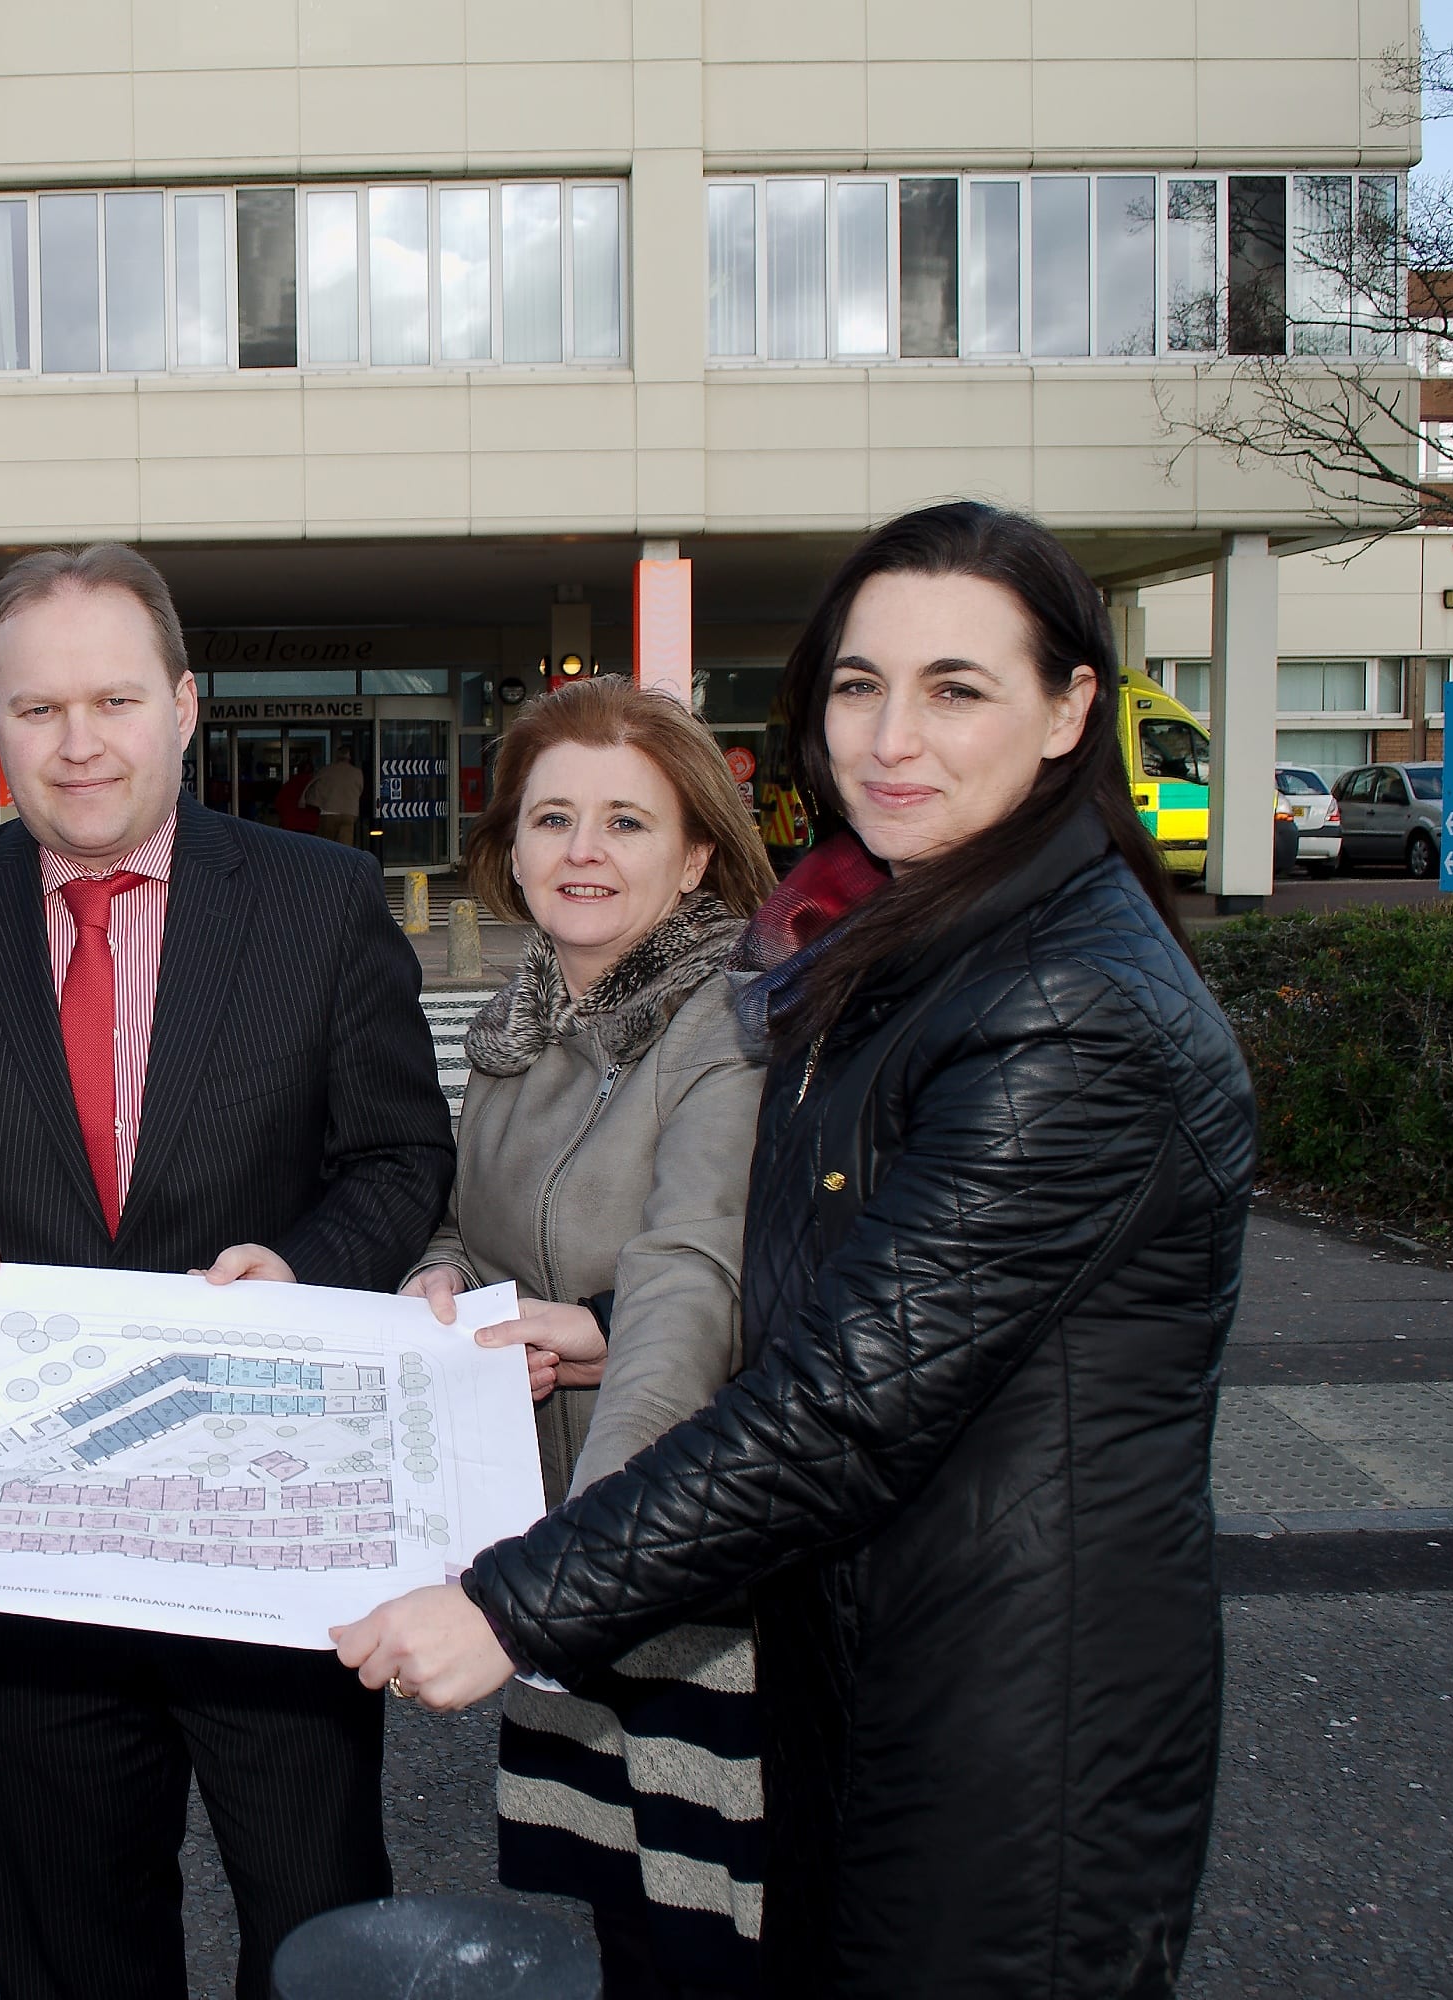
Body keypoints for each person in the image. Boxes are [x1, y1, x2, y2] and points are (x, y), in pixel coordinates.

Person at [336, 501, 1258, 1998]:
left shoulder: (1063, 1013)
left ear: (1069, 706)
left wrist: (512, 1605)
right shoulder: (908, 948)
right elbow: (853, 1287)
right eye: (856, 685)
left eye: (956, 688)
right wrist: (602, 1317)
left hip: (1004, 1708)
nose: (894, 736)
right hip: (871, 1648)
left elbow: (842, 1404)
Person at [0, 542, 455, 2000]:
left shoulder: (321, 899)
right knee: (68, 1945)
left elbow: (402, 1159)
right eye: (40, 709)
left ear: (184, 704)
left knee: (318, 1934)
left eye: (113, 698)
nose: (80, 741)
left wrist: (304, 1265)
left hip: (267, 1537)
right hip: (19, 1557)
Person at [399, 678, 774, 1997]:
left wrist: (595, 1556)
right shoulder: (514, 1031)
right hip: (547, 1519)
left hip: (674, 1546)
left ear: (696, 858)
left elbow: (702, 1274)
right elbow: (464, 1223)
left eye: (626, 821)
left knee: (709, 1929)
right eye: (552, 819)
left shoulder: (734, 1023)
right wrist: (438, 1284)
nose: (583, 851)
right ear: (507, 851)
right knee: (616, 1916)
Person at [303, 746, 366, 846]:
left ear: (337, 756)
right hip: (349, 812)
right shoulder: (357, 773)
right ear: (350, 757)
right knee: (345, 846)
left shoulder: (326, 770)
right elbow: (360, 790)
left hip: (329, 811)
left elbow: (314, 786)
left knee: (327, 845)